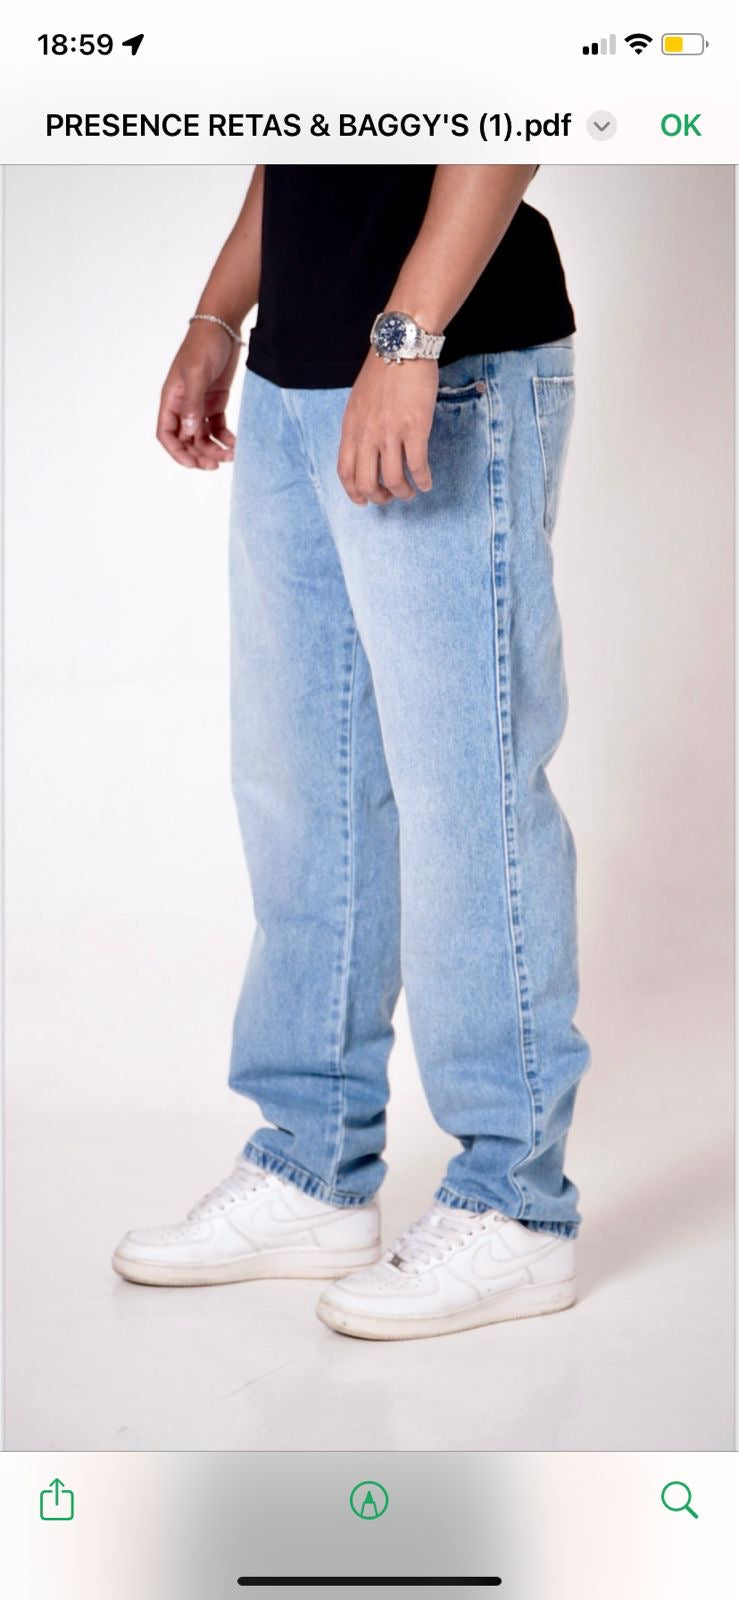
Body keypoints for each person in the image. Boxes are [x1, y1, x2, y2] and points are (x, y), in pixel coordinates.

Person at [113, 165, 590, 1341]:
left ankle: (514, 1205)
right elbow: (299, 132)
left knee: (466, 792)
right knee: (305, 788)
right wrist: (219, 313)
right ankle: (310, 1165)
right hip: (294, 373)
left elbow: (503, 100)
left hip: (448, 360)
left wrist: (409, 332)